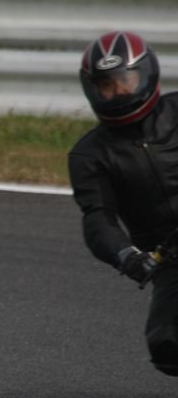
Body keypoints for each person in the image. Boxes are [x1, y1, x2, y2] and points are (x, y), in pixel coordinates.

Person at [68, 30, 178, 375]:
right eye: (107, 85)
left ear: (146, 75)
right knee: (167, 346)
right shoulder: (90, 154)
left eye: (125, 81)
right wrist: (127, 255)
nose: (118, 92)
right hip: (170, 257)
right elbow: (98, 218)